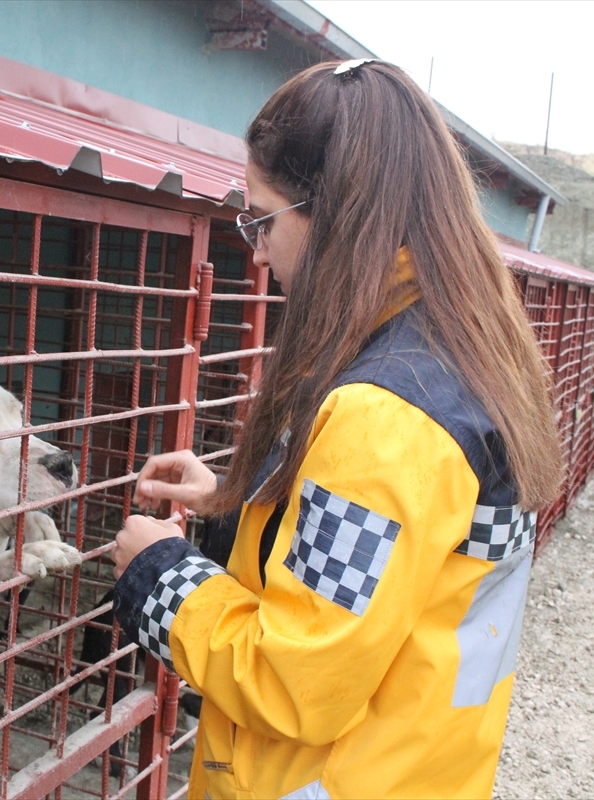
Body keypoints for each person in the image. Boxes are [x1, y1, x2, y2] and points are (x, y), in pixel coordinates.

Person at [110, 58, 563, 800]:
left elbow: (296, 678)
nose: (255, 249)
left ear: (338, 213)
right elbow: (389, 572)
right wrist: (232, 502)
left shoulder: (388, 416)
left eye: (262, 218)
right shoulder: (458, 350)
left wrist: (161, 576)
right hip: (421, 769)